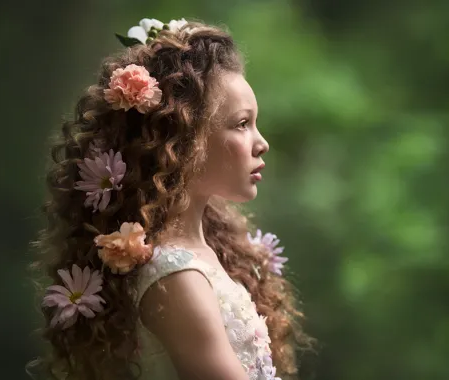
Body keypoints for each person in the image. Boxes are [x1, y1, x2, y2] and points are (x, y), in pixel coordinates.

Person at [27, 17, 312, 380]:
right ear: (185, 140)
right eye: (242, 124)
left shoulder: (204, 255)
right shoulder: (176, 278)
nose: (262, 142)